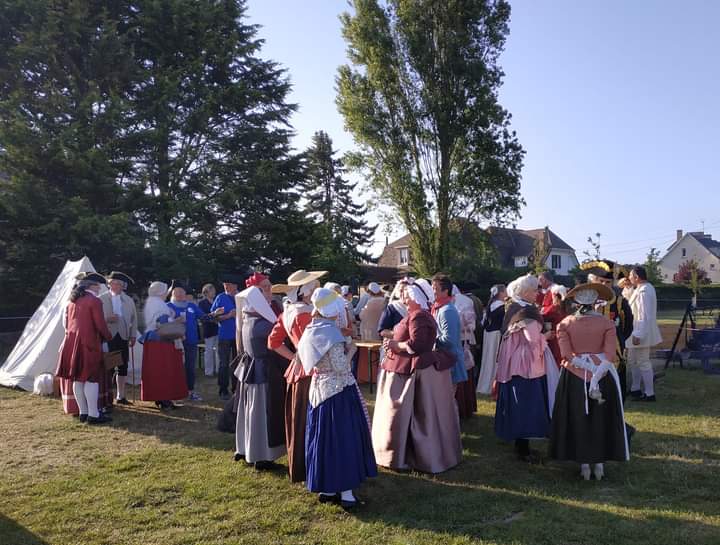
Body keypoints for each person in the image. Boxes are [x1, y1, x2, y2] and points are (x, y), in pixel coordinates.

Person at [299, 287, 377, 508]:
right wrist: (352, 350)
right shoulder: (331, 334)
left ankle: (327, 488)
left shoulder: (310, 330)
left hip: (318, 392)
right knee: (342, 441)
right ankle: (347, 494)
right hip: (338, 393)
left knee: (324, 440)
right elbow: (341, 367)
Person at [372, 284, 462, 473]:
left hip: (410, 372)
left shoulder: (418, 316)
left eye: (407, 296)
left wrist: (396, 345)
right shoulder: (417, 315)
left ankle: (406, 454)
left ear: (417, 297)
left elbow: (417, 345)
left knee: (405, 414)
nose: (404, 300)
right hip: (404, 368)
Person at [549, 282, 629, 480]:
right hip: (603, 375)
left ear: (576, 302)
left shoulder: (565, 323)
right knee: (601, 417)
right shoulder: (606, 323)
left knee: (578, 416)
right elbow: (609, 355)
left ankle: (584, 464)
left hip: (574, 376)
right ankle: (599, 464)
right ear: (595, 301)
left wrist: (589, 368)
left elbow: (567, 355)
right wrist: (597, 371)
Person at [268, 269, 327, 483]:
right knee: (309, 419)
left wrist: (294, 357)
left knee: (299, 418)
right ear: (305, 291)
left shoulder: (288, 312)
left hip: (299, 369)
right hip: (313, 371)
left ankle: (303, 464)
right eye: (312, 287)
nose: (315, 290)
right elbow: (318, 344)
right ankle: (312, 465)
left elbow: (273, 342)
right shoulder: (305, 314)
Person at [494, 274, 559, 463]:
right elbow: (532, 341)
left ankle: (520, 444)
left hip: (512, 363)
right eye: (534, 290)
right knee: (525, 405)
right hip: (525, 365)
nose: (537, 293)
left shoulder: (513, 307)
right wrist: (546, 336)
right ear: (525, 292)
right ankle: (523, 449)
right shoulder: (527, 313)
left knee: (518, 403)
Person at [233, 279, 286, 470]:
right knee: (261, 414)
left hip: (251, 369)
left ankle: (245, 448)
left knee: (249, 412)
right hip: (262, 371)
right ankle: (261, 456)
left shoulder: (246, 319)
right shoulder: (262, 324)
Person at [55, 272, 114, 424]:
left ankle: (83, 412)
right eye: (98, 285)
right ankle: (93, 414)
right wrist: (109, 337)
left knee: (78, 378)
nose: (99, 288)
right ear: (91, 286)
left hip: (71, 343)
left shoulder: (71, 301)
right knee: (91, 379)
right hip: (89, 344)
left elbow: (67, 325)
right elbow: (100, 325)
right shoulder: (94, 301)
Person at [581, 260, 634, 399]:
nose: (604, 285)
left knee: (615, 390)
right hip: (590, 353)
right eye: (601, 281)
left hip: (614, 354)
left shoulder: (620, 302)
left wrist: (618, 340)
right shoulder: (585, 301)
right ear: (594, 281)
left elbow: (627, 327)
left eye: (608, 282)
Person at [140, 281, 188, 409]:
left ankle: (160, 398)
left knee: (156, 370)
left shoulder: (151, 302)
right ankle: (164, 399)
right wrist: (176, 323)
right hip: (161, 341)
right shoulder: (158, 304)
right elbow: (162, 322)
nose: (166, 293)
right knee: (164, 370)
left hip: (154, 341)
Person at [168, 283, 219, 401]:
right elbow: (162, 324)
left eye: (182, 292)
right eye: (178, 292)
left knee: (190, 367)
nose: (180, 294)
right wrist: (175, 321)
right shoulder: (168, 306)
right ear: (173, 293)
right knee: (175, 367)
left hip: (191, 341)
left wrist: (215, 314)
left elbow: (204, 317)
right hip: (174, 342)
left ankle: (190, 391)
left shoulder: (191, 306)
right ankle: (174, 391)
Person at [99, 271, 138, 406]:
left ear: (123, 286)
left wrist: (133, 335)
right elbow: (96, 319)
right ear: (109, 284)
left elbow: (134, 319)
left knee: (123, 367)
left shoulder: (128, 300)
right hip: (108, 337)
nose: (115, 286)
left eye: (118, 284)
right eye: (112, 283)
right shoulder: (101, 299)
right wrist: (107, 319)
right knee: (109, 367)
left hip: (123, 337)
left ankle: (121, 396)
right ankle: (107, 396)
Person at [627, 266, 662, 402]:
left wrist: (639, 334)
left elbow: (644, 315)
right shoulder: (641, 288)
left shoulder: (644, 291)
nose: (629, 278)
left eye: (630, 275)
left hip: (641, 330)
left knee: (643, 361)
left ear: (636, 277)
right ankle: (635, 389)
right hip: (636, 330)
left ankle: (649, 393)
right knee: (633, 360)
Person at [431, 274, 467, 389]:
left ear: (445, 291)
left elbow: (449, 340)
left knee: (448, 397)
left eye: (435, 288)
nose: (432, 291)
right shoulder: (439, 308)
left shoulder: (447, 311)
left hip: (450, 363)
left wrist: (430, 341)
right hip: (445, 361)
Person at [211, 274, 240, 400]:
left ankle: (236, 389)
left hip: (239, 335)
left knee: (238, 363)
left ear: (235, 286)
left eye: (228, 285)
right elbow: (213, 317)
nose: (226, 287)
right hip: (224, 335)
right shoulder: (220, 298)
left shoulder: (242, 297)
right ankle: (223, 390)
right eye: (225, 285)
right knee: (224, 363)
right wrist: (228, 316)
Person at [476, 284, 507, 395]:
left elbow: (484, 322)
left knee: (487, 358)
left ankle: (485, 383)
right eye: (505, 291)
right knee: (494, 358)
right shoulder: (502, 306)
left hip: (488, 334)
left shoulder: (491, 305)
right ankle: (492, 385)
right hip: (496, 334)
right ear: (501, 293)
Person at [542, 284, 569, 368]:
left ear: (554, 295)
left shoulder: (552, 309)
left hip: (553, 338)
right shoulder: (567, 308)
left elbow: (542, 318)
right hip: (564, 338)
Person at [198, 283, 219, 377]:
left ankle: (219, 370)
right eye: (212, 290)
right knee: (209, 351)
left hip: (218, 329)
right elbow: (202, 317)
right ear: (206, 292)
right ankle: (209, 372)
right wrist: (213, 319)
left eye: (214, 290)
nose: (214, 292)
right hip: (208, 330)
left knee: (218, 351)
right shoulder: (202, 303)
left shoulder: (216, 301)